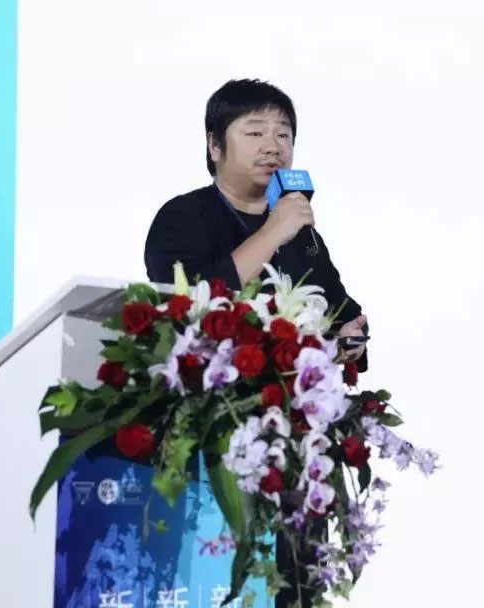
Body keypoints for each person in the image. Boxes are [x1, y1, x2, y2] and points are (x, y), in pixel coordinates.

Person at [143, 78, 368, 606]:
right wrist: (273, 232)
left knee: (294, 588)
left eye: (284, 134)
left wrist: (351, 335)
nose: (274, 146)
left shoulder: (301, 230)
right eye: (255, 132)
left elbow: (338, 307)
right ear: (214, 144)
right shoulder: (183, 217)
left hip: (295, 442)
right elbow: (189, 304)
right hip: (211, 440)